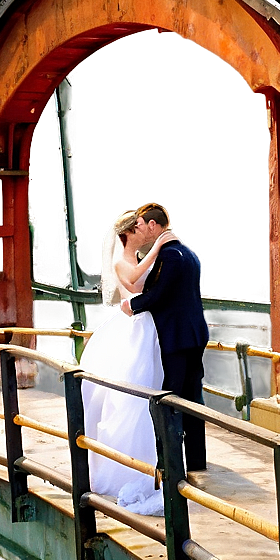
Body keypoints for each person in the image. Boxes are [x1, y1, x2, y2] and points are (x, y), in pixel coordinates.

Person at [79, 210, 178, 515]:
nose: (142, 231)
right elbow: (135, 283)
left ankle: (147, 463)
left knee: (146, 394)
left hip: (144, 327)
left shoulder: (132, 257)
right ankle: (129, 469)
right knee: (134, 398)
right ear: (127, 234)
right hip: (137, 328)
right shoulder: (123, 261)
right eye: (137, 228)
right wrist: (159, 248)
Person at [121, 203, 209, 475]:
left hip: (177, 337)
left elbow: (160, 295)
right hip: (195, 334)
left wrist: (132, 306)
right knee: (193, 396)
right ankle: (196, 459)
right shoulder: (188, 253)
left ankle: (171, 462)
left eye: (143, 226)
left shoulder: (170, 256)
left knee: (170, 397)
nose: (142, 232)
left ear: (153, 225)